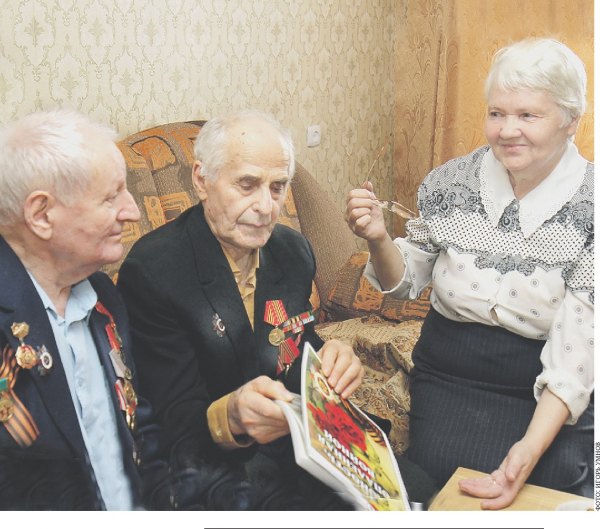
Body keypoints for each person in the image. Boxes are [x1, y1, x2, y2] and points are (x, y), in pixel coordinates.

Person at [117, 110, 436, 509]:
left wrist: (330, 358)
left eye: (277, 187)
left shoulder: (291, 250)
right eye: (247, 185)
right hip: (217, 463)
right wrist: (230, 416)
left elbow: (292, 342)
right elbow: (169, 416)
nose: (266, 207)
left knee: (421, 492)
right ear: (202, 179)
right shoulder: (155, 270)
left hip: (298, 446)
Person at [345, 38, 593, 510]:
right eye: (497, 113)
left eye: (528, 115)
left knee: (551, 495)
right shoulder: (451, 182)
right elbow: (403, 286)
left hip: (548, 389)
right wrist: (377, 238)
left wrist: (528, 449)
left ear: (571, 121)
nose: (507, 130)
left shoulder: (591, 206)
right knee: (440, 489)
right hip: (451, 377)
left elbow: (577, 352)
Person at [0, 110, 171, 510]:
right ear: (41, 215)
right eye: (111, 197)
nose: (132, 211)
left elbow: (139, 431)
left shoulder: (103, 295)